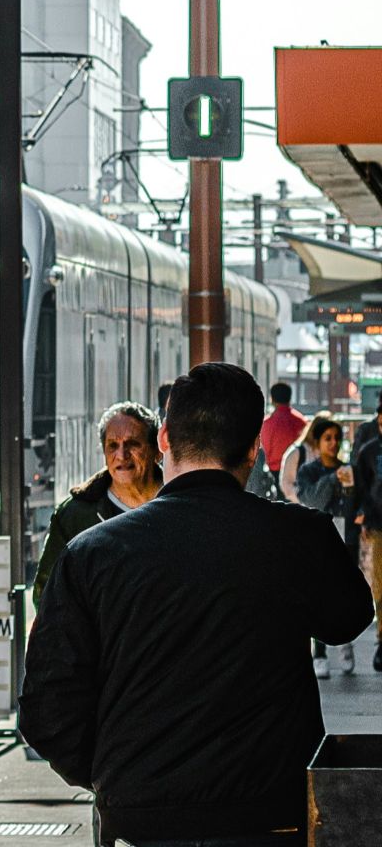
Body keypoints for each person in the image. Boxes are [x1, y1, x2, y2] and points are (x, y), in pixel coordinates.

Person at [20, 363, 374, 847]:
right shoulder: (299, 535)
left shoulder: (91, 554)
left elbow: (45, 708)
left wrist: (113, 774)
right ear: (253, 448)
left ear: (164, 438)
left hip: (141, 820)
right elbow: (350, 618)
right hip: (270, 815)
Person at [31, 402, 163, 606]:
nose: (121, 454)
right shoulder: (74, 516)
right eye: (113, 445)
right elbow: (48, 593)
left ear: (157, 451)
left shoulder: (181, 508)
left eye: (133, 443)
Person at [294, 416, 361, 677]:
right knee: (317, 593)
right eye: (327, 438)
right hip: (317, 539)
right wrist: (333, 479)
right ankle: (319, 652)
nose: (333, 444)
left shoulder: (349, 468)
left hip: (347, 538)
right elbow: (313, 500)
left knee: (344, 592)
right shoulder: (308, 471)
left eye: (337, 438)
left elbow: (354, 503)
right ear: (318, 442)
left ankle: (345, 643)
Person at [351, 417, 382, 672]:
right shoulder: (370, 447)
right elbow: (361, 484)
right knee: (380, 583)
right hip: (378, 521)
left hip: (375, 518)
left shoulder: (366, 443)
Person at [261, 382, 308, 500]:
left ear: (272, 399)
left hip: (275, 473)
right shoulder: (301, 421)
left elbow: (265, 452)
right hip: (299, 472)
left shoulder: (267, 424)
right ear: (290, 398)